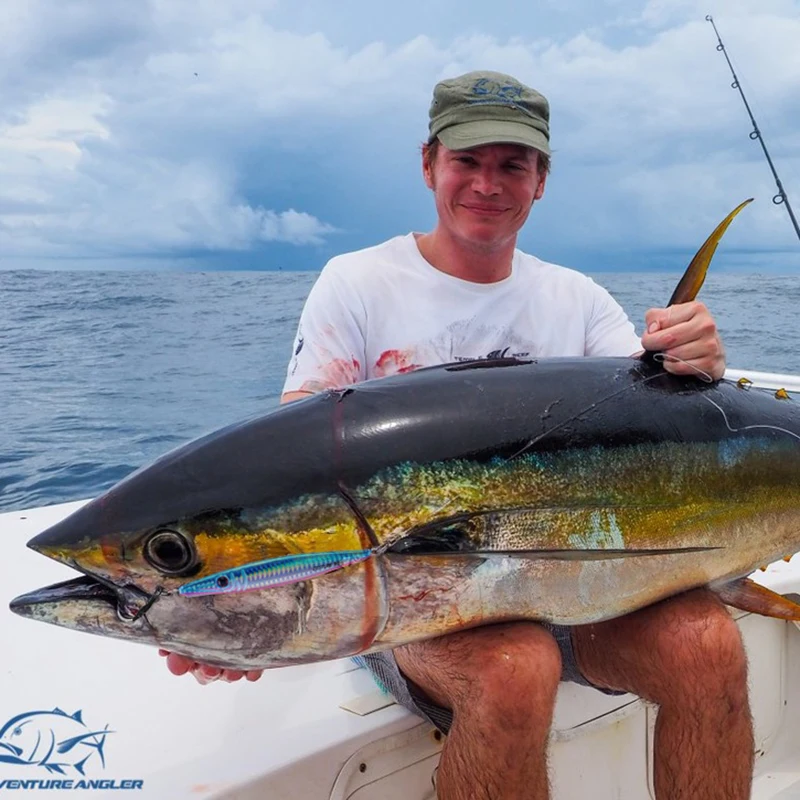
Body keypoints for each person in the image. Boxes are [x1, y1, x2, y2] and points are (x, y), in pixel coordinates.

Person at [162, 70, 752, 800]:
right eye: (467, 161)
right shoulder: (357, 283)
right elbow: (293, 479)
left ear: (542, 180)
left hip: (579, 588)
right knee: (513, 666)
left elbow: (657, 416)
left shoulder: (578, 301)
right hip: (412, 611)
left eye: (513, 165)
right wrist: (240, 615)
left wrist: (695, 362)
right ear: (428, 164)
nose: (487, 184)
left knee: (707, 643)